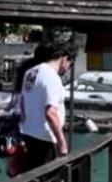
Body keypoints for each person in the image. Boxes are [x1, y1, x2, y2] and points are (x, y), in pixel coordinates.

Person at [17, 37, 74, 171]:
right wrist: (62, 142)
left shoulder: (30, 72)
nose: (68, 69)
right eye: (70, 64)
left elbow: (23, 104)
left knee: (31, 176)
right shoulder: (52, 77)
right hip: (45, 137)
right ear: (64, 58)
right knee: (44, 179)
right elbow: (50, 112)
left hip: (28, 133)